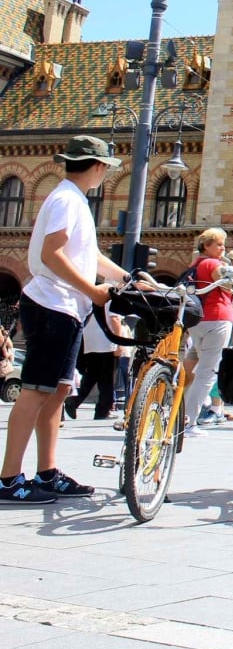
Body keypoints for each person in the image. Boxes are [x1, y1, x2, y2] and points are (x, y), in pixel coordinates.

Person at [1, 135, 128, 503]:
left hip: (66, 308)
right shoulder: (67, 200)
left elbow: (89, 255)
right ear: (99, 167)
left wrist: (128, 278)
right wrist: (93, 291)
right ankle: (8, 478)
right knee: (35, 391)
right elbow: (53, 255)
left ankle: (47, 472)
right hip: (52, 305)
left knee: (56, 392)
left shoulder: (73, 200)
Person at [182, 228, 233, 436]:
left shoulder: (195, 264)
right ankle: (189, 422)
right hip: (217, 319)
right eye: (219, 244)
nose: (223, 248)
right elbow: (228, 287)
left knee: (196, 365)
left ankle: (184, 411)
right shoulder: (214, 264)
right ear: (207, 246)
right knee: (207, 373)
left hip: (199, 320)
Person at [66, 310, 126, 421]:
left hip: (90, 341)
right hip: (106, 342)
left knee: (91, 375)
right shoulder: (110, 298)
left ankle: (75, 401)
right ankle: (102, 410)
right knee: (107, 379)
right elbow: (115, 319)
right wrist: (119, 343)